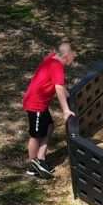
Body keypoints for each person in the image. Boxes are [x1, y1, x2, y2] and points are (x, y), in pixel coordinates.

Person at [23, 40, 76, 179]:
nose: (74, 58)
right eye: (73, 56)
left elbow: (58, 83)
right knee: (36, 135)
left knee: (49, 126)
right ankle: (33, 166)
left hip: (40, 103)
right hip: (36, 104)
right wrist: (65, 110)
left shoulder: (53, 57)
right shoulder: (57, 65)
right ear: (66, 56)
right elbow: (58, 87)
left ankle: (40, 159)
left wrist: (67, 92)